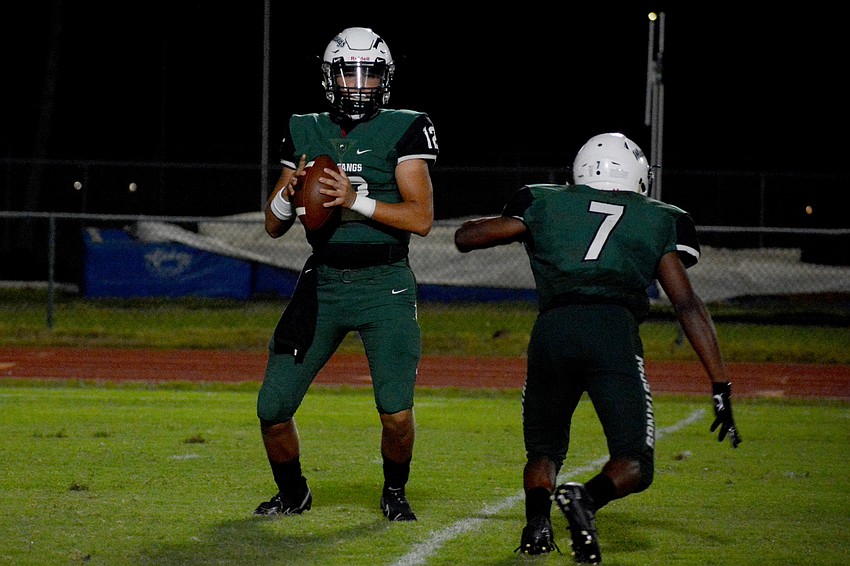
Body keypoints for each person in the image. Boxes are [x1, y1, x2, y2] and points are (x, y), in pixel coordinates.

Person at [454, 133, 741, 563]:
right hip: (611, 331)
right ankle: (585, 499)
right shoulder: (658, 218)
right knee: (634, 461)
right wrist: (720, 383)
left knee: (544, 450)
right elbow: (686, 304)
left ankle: (537, 526)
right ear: (637, 175)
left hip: (552, 331)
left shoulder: (545, 201)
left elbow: (467, 237)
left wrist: (520, 223)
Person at [253, 27, 438, 522]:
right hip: (324, 282)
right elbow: (273, 225)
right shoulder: (305, 127)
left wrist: (355, 200)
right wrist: (288, 192)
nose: (358, 84)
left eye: (369, 73)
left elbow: (421, 218)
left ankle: (394, 491)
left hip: (385, 284)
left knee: (396, 412)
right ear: (328, 77)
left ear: (385, 79)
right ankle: (293, 494)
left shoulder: (404, 127)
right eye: (347, 73)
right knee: (272, 408)